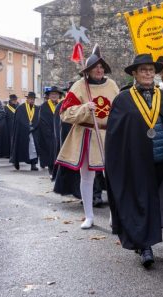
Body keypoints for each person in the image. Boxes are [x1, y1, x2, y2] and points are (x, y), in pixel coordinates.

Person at [106, 53, 163, 269]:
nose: (147, 73)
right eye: (143, 70)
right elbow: (115, 135)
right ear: (134, 73)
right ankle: (146, 246)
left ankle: (141, 238)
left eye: (151, 70)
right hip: (135, 163)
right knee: (142, 200)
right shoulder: (123, 99)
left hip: (160, 160)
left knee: (151, 200)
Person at [55, 46, 119, 229]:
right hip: (86, 135)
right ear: (88, 69)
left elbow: (120, 108)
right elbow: (64, 113)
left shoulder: (112, 85)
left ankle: (114, 216)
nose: (99, 70)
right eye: (95, 67)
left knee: (112, 176)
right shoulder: (79, 86)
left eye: (101, 67)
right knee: (87, 176)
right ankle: (89, 215)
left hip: (108, 134)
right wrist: (84, 109)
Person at [9, 92, 40, 172]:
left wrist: (33, 127)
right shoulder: (20, 108)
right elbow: (19, 120)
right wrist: (27, 126)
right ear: (27, 99)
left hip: (33, 132)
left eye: (33, 99)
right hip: (22, 132)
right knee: (20, 147)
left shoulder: (37, 109)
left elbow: (38, 120)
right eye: (30, 99)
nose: (32, 100)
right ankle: (16, 162)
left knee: (34, 148)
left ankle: (33, 164)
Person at [36, 86, 63, 171]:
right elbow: (42, 121)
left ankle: (59, 169)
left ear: (59, 95)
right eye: (52, 94)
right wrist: (50, 132)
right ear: (49, 96)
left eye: (56, 94)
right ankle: (51, 169)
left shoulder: (62, 105)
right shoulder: (44, 106)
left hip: (60, 133)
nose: (54, 96)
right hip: (48, 135)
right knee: (50, 153)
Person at [0, 94, 18, 159]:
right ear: (10, 100)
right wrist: (3, 127)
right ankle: (8, 154)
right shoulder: (6, 108)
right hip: (8, 127)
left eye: (15, 100)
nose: (15, 101)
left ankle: (16, 153)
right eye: (13, 100)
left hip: (16, 127)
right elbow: (3, 118)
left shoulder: (18, 107)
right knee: (9, 141)